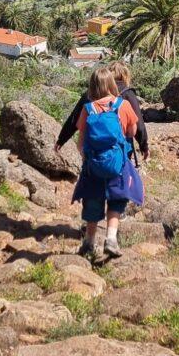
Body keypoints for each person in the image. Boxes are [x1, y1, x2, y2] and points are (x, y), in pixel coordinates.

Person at [68, 66, 143, 259]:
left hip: (93, 164)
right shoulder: (122, 105)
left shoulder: (88, 109)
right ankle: (110, 239)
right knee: (117, 199)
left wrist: (88, 158)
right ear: (112, 84)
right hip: (117, 163)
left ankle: (89, 242)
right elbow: (132, 132)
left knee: (92, 200)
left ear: (92, 86)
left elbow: (81, 140)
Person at [56, 61, 149, 161]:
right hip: (119, 152)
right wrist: (144, 146)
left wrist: (61, 140)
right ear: (125, 75)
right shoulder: (128, 94)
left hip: (94, 154)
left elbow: (74, 119)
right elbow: (138, 126)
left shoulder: (90, 94)